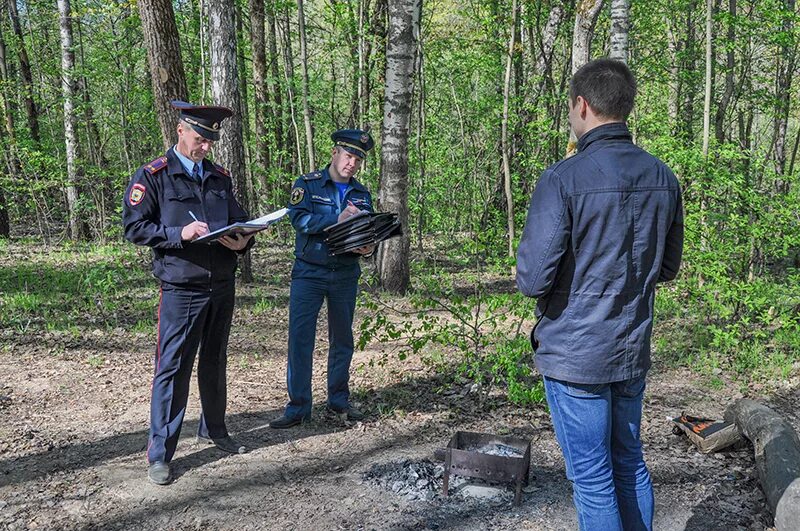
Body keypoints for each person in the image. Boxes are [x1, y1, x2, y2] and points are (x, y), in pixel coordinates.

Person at [516, 59, 684, 530]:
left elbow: (532, 279)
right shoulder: (663, 177)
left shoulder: (563, 179)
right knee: (629, 463)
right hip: (631, 347)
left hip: (577, 354)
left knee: (592, 478)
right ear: (626, 108)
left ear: (582, 105)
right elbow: (667, 267)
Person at [123, 100, 256, 485]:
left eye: (210, 141)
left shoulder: (219, 176)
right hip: (182, 287)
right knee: (173, 369)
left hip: (221, 284)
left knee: (214, 362)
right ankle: (160, 453)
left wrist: (242, 241)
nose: (205, 147)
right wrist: (176, 234)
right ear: (180, 131)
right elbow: (134, 227)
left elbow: (239, 220)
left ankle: (215, 429)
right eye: (199, 139)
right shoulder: (154, 176)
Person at [270, 129, 375, 429]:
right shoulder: (308, 184)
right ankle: (298, 407)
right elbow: (298, 219)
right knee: (301, 339)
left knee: (342, 340)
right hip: (309, 272)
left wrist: (368, 246)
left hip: (344, 274)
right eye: (348, 156)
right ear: (335, 153)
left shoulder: (361, 193)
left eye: (358, 159)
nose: (352, 163)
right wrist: (336, 219)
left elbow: (365, 232)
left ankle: (338, 401)